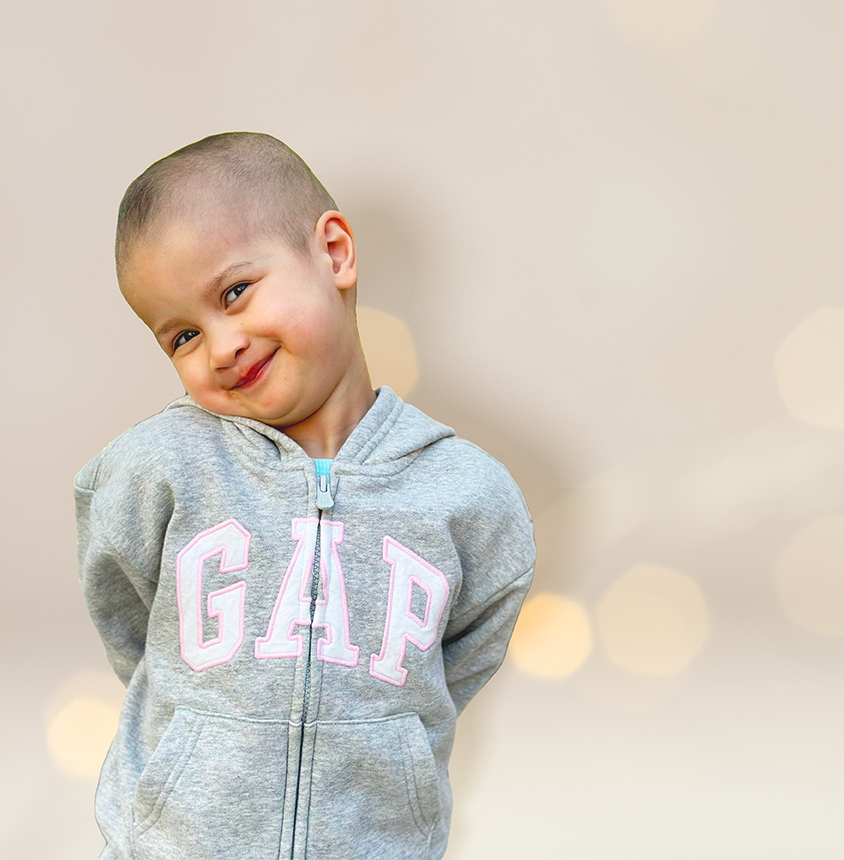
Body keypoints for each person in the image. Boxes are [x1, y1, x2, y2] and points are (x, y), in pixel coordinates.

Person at [76, 132, 534, 860]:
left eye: (235, 292)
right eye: (183, 335)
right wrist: (197, 732)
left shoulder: (465, 492)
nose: (221, 345)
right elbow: (131, 618)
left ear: (335, 254)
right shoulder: (158, 469)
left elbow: (463, 654)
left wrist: (390, 737)